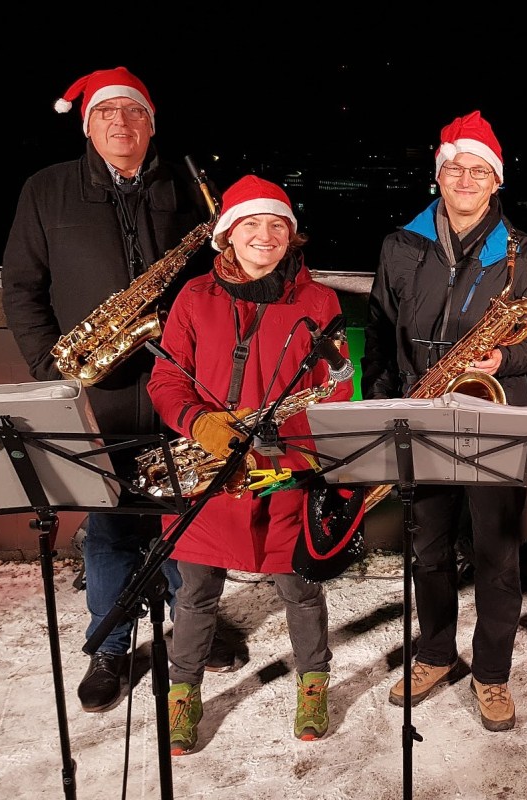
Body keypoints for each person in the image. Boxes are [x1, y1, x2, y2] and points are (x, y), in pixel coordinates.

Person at [1, 66, 228, 714]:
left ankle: (194, 628)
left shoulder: (186, 190)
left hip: (179, 385)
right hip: (95, 392)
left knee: (185, 515)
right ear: (88, 124)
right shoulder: (46, 190)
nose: (120, 124)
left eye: (133, 113)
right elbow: (20, 286)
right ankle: (110, 644)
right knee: (107, 529)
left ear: (151, 124)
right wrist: (52, 371)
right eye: (107, 114)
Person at [362, 110, 527, 732]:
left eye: (479, 170)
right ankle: (436, 653)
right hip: (420, 411)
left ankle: (492, 673)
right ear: (438, 174)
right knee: (426, 547)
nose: (466, 178)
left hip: (495, 413)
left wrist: (505, 356)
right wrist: (380, 406)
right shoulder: (401, 244)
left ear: (495, 180)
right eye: (456, 167)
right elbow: (377, 330)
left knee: (498, 554)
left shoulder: (525, 253)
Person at [146, 175, 354, 754]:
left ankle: (313, 682)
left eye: (277, 226)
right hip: (209, 467)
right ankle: (182, 696)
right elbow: (166, 380)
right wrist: (199, 423)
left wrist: (304, 447)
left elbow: (336, 387)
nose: (265, 236)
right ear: (227, 235)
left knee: (301, 587)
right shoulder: (193, 298)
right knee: (194, 593)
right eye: (252, 225)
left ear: (292, 236)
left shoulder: (319, 301)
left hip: (286, 468)